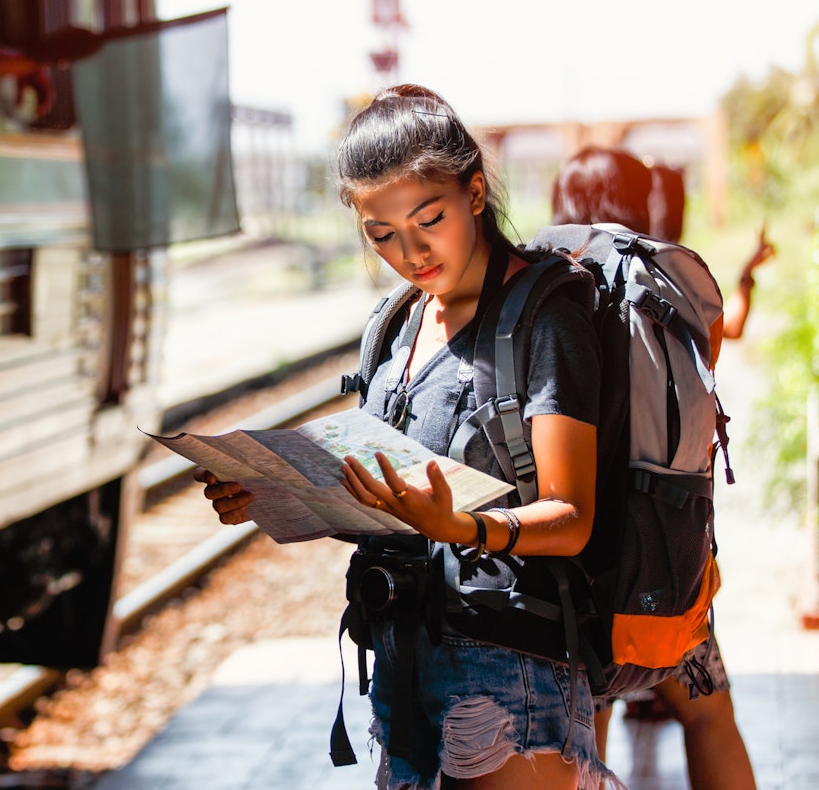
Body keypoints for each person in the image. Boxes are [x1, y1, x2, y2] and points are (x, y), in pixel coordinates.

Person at [196, 85, 621, 790]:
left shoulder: (545, 322)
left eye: (429, 218)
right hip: (401, 653)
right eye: (381, 234)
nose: (411, 250)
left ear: (476, 192)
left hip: (510, 666)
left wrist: (460, 526)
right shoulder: (393, 328)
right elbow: (383, 496)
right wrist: (271, 492)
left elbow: (572, 520)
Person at [551, 146, 757, 790]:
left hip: (566, 558)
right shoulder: (669, 282)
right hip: (663, 552)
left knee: (591, 731)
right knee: (710, 717)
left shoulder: (541, 283)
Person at [646, 164, 775, 343]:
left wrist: (747, 271)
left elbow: (729, 327)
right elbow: (730, 328)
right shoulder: (675, 270)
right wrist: (747, 273)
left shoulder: (614, 265)